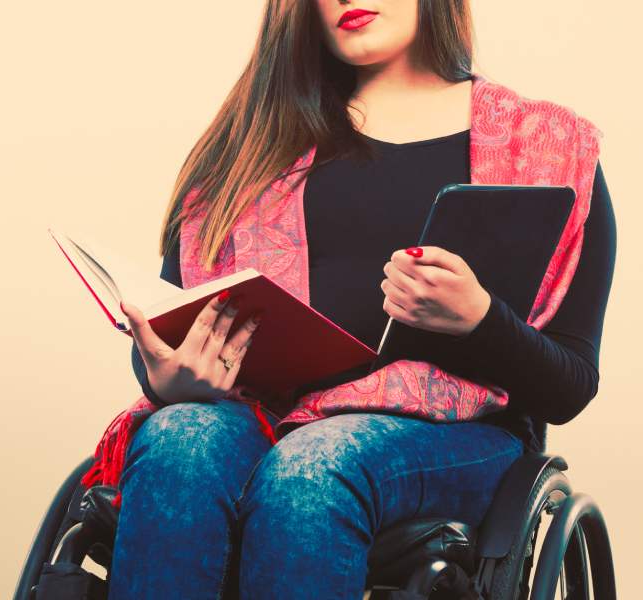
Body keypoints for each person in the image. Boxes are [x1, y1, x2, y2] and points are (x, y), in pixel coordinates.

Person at [96, 1, 617, 598]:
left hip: (457, 439)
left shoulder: (545, 146)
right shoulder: (255, 142)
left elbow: (570, 383)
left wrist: (479, 322)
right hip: (266, 415)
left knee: (314, 466)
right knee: (179, 439)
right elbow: (176, 324)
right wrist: (170, 377)